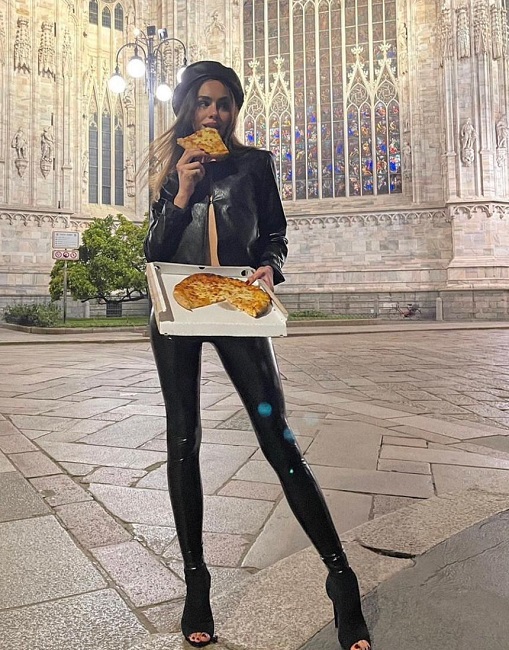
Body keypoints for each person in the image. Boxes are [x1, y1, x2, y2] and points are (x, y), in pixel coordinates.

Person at [144, 60, 371, 650]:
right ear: (188, 108)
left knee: (278, 437)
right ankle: (197, 581)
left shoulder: (254, 164)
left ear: (233, 110)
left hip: (236, 301)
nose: (214, 113)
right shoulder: (173, 169)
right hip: (178, 306)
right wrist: (182, 192)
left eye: (223, 103)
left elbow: (274, 233)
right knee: (183, 440)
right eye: (203, 102)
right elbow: (155, 250)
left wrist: (271, 265)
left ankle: (341, 577)